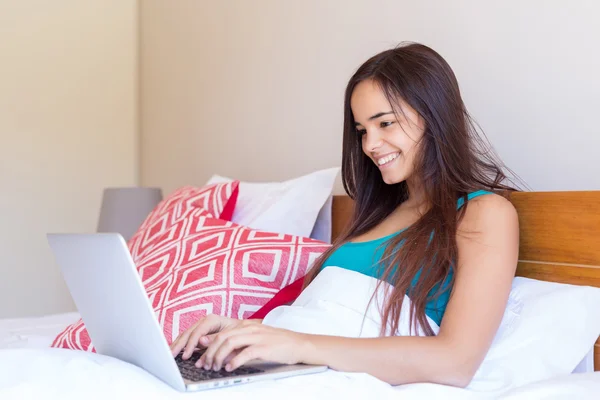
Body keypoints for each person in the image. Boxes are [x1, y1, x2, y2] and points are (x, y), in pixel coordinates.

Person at [169, 42, 520, 388]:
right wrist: (238, 332)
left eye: (385, 124)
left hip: (319, 371)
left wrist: (299, 346)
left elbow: (455, 362)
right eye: (362, 130)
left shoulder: (484, 213)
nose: (369, 145)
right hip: (288, 366)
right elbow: (319, 318)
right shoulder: (374, 216)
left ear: (434, 117)